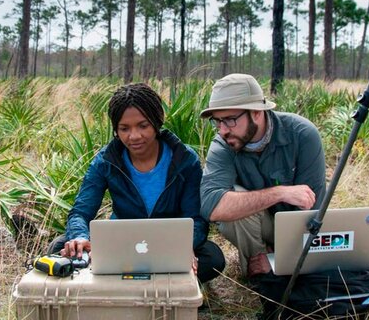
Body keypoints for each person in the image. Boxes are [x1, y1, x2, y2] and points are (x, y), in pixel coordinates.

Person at [52, 82, 225, 284]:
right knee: (60, 247)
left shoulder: (185, 159)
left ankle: (128, 278)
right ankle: (159, 277)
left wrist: (185, 246)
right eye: (124, 128)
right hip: (122, 243)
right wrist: (80, 237)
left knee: (213, 258)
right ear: (116, 129)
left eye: (143, 126)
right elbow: (81, 212)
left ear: (157, 122)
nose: (134, 136)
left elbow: (196, 219)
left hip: (169, 244)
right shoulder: (106, 161)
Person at [199, 73, 326, 281]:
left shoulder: (302, 134)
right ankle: (261, 276)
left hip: (296, 230)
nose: (222, 131)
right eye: (217, 121)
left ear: (257, 112)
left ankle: (279, 269)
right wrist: (279, 193)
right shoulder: (222, 144)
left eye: (230, 120)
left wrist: (279, 258)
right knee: (232, 200)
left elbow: (312, 215)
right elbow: (210, 206)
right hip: (258, 229)